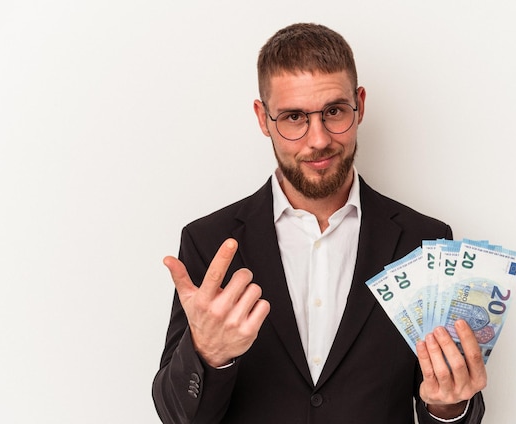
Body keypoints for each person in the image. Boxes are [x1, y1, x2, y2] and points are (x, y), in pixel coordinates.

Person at [152, 23, 486, 424]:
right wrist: (206, 354)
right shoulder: (209, 243)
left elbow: (448, 401)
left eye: (333, 112)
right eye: (294, 117)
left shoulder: (425, 241)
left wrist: (447, 406)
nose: (318, 140)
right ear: (263, 118)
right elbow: (177, 417)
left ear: (359, 104)